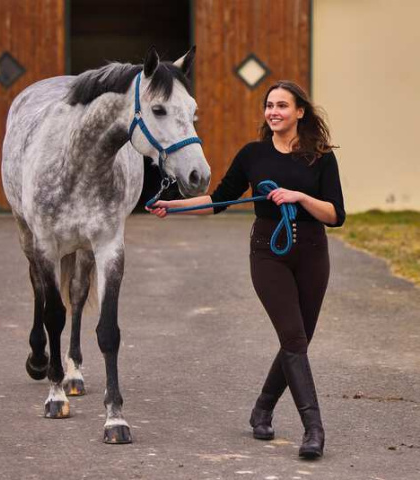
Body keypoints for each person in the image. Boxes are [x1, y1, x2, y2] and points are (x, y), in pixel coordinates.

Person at [147, 80, 345, 459]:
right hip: (268, 253)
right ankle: (314, 430)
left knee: (297, 340)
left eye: (282, 106)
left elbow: (336, 214)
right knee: (294, 338)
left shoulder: (321, 157)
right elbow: (218, 201)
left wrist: (300, 196)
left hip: (313, 253)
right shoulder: (253, 155)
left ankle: (262, 408)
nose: (273, 112)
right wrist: (173, 206)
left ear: (300, 112)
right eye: (269, 105)